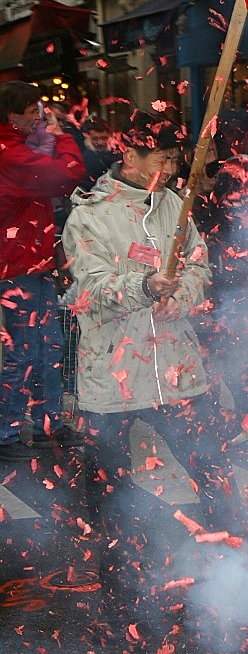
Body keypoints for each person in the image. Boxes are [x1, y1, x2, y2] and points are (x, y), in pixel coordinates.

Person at [60, 111, 227, 599]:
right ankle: (120, 583)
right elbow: (89, 288)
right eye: (162, 157)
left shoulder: (177, 204)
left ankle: (234, 562)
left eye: (175, 157)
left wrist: (184, 294)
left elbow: (199, 266)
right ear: (128, 156)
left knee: (212, 465)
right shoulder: (89, 214)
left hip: (176, 370)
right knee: (106, 485)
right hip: (113, 376)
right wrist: (143, 285)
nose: (172, 167)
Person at [0, 80, 85, 460]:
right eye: (32, 110)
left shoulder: (16, 148)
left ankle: (47, 421)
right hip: (16, 267)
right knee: (25, 350)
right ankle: (7, 431)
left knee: (48, 342)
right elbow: (67, 174)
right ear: (12, 115)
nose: (38, 117)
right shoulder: (9, 154)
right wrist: (63, 137)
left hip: (31, 264)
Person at [79, 115, 119, 190]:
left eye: (104, 138)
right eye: (95, 138)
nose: (100, 142)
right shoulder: (81, 157)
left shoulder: (116, 153)